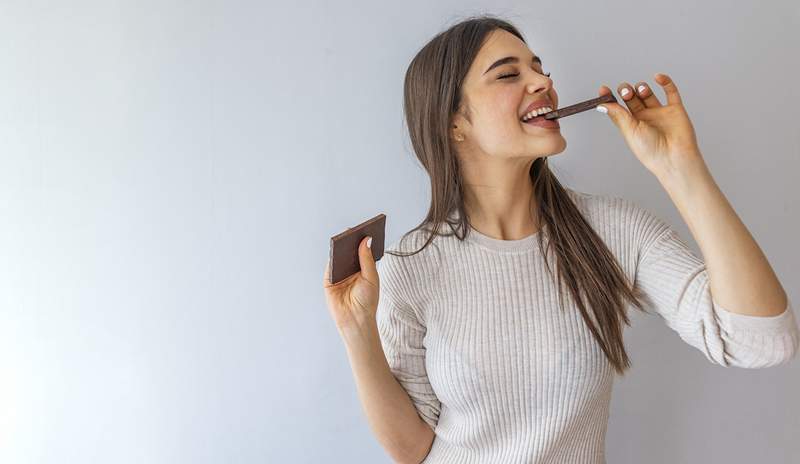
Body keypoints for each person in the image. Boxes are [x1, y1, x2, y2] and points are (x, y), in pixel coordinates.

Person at [322, 14, 799, 464]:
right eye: (508, 75)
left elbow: (763, 341)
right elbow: (414, 450)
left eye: (539, 68)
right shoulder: (410, 265)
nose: (542, 82)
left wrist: (679, 167)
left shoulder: (613, 232)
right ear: (454, 124)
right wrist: (356, 331)